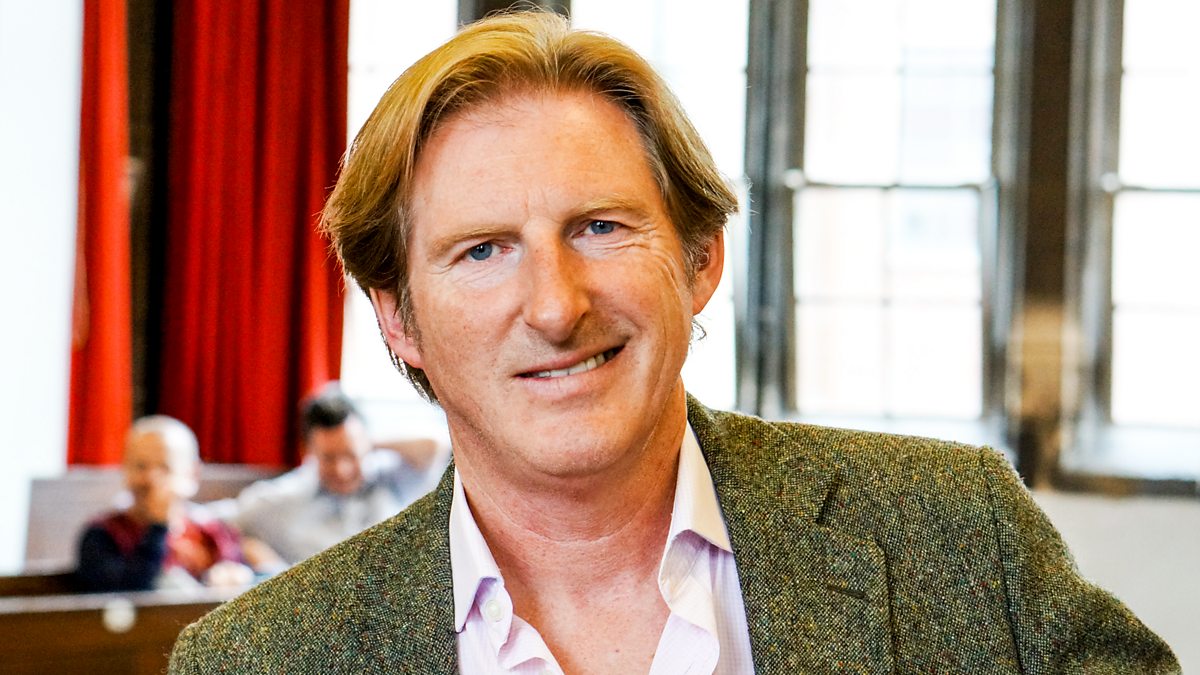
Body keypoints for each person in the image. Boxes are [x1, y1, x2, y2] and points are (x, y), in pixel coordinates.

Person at [170, 11, 1180, 673]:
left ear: (700, 259)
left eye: (599, 227)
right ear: (398, 317)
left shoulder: (956, 536)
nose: (555, 306)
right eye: (481, 251)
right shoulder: (260, 659)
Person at [212, 384, 445, 568]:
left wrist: (365, 444)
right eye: (329, 458)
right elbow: (215, 522)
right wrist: (254, 552)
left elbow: (436, 447)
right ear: (308, 451)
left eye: (349, 454)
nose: (342, 470)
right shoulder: (282, 498)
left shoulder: (390, 478)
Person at [76, 415, 253, 592]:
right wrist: (158, 527)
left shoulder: (212, 532)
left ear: (193, 474)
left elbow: (238, 579)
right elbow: (125, 593)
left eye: (165, 468)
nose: (151, 479)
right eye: (141, 466)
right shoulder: (103, 535)